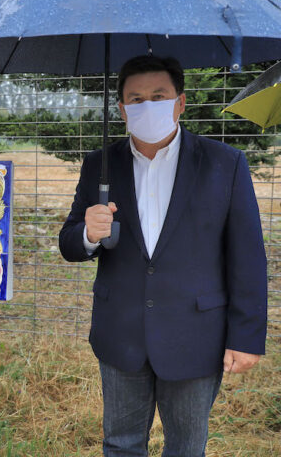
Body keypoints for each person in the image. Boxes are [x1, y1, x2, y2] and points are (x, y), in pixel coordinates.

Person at [59, 55, 268, 456]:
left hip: (196, 335)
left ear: (181, 102)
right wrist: (87, 232)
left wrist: (246, 336)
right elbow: (70, 243)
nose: (146, 106)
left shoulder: (224, 164)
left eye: (159, 96)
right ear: (121, 109)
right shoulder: (99, 166)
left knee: (187, 447)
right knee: (120, 444)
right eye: (135, 99)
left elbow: (247, 257)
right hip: (120, 335)